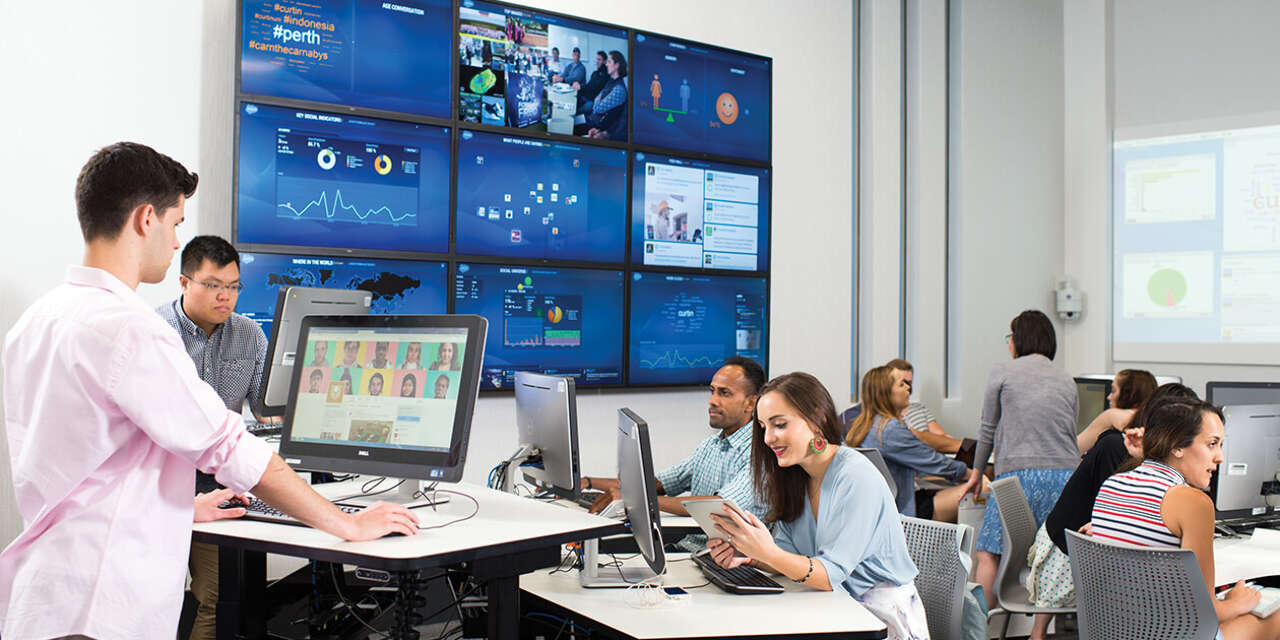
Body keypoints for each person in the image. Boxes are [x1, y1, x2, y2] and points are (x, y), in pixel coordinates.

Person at [0, 142, 418, 639]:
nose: (177, 240)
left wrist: (181, 505)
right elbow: (228, 445)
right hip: (101, 602)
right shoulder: (131, 330)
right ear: (145, 219)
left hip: (46, 595)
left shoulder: (36, 321)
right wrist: (346, 523)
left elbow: (84, 466)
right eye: (177, 223)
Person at [708, 372, 928, 640]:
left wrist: (769, 553)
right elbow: (789, 555)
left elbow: (830, 574)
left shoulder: (855, 475)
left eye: (779, 424)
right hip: (831, 608)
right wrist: (750, 554)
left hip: (878, 620)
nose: (768, 439)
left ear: (817, 419)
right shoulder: (797, 476)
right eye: (764, 427)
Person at [156, 234, 275, 640]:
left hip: (217, 486)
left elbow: (263, 409)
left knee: (218, 594)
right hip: (158, 488)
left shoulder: (250, 335)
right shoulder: (155, 333)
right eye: (213, 285)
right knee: (155, 596)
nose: (225, 297)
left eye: (233, 286)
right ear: (185, 282)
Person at [1090, 398, 1280, 640]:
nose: (1220, 457)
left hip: (1118, 631)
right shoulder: (1193, 502)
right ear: (1177, 446)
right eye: (1212, 444)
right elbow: (1204, 611)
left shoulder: (1111, 485)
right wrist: (1236, 603)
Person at [1022, 383, 1197, 640]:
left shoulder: (1144, 454)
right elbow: (1121, 511)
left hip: (1087, 552)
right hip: (1066, 559)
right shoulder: (1118, 448)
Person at [958, 309, 1079, 612]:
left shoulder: (1003, 371)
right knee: (1051, 557)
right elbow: (1069, 431)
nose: (1008, 344)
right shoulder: (1066, 378)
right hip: (1066, 479)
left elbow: (987, 428)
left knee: (989, 553)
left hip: (1019, 478)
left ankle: (979, 628)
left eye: (1010, 337)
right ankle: (1038, 633)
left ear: (1018, 339)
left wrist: (976, 472)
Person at [582, 357, 766, 550]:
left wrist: (637, 500)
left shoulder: (760, 453)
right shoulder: (711, 445)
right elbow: (658, 484)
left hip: (725, 561)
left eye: (724, 393)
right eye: (712, 391)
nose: (712, 401)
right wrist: (588, 482)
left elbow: (721, 505)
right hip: (690, 549)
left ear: (751, 404)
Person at [847, 365, 973, 521]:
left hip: (882, 510)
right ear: (885, 393)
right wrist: (971, 474)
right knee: (980, 490)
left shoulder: (862, 426)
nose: (908, 388)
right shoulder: (890, 430)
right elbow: (932, 461)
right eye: (901, 384)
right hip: (902, 512)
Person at [885, 358, 963, 454]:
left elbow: (945, 438)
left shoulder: (920, 409)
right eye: (902, 383)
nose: (908, 387)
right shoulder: (886, 419)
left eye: (910, 383)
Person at [1076, 368, 1157, 453]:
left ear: (1127, 395)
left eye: (1113, 391)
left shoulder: (1112, 415)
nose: (1109, 397)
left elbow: (1076, 447)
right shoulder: (1156, 419)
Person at [583, 51, 627, 140]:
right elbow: (597, 99)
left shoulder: (619, 89)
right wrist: (598, 99)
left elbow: (597, 107)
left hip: (596, 125)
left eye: (609, 62)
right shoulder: (611, 82)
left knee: (572, 126)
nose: (606, 64)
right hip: (594, 120)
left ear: (616, 65)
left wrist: (598, 99)